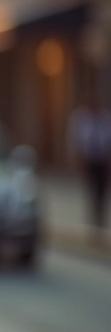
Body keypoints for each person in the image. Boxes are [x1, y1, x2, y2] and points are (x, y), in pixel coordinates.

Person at [68, 88, 111, 230]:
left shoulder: (105, 118)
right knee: (92, 189)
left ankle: (100, 217)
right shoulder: (80, 118)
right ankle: (93, 218)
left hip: (102, 160)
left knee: (102, 189)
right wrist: (79, 161)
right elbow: (77, 141)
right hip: (89, 160)